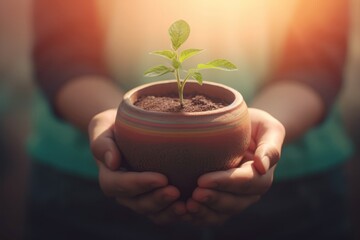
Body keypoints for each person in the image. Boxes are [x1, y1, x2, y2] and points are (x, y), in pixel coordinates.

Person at [26, 0, 353, 239]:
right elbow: (62, 51)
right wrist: (122, 126)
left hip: (293, 194)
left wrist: (262, 132)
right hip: (86, 192)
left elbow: (318, 56)